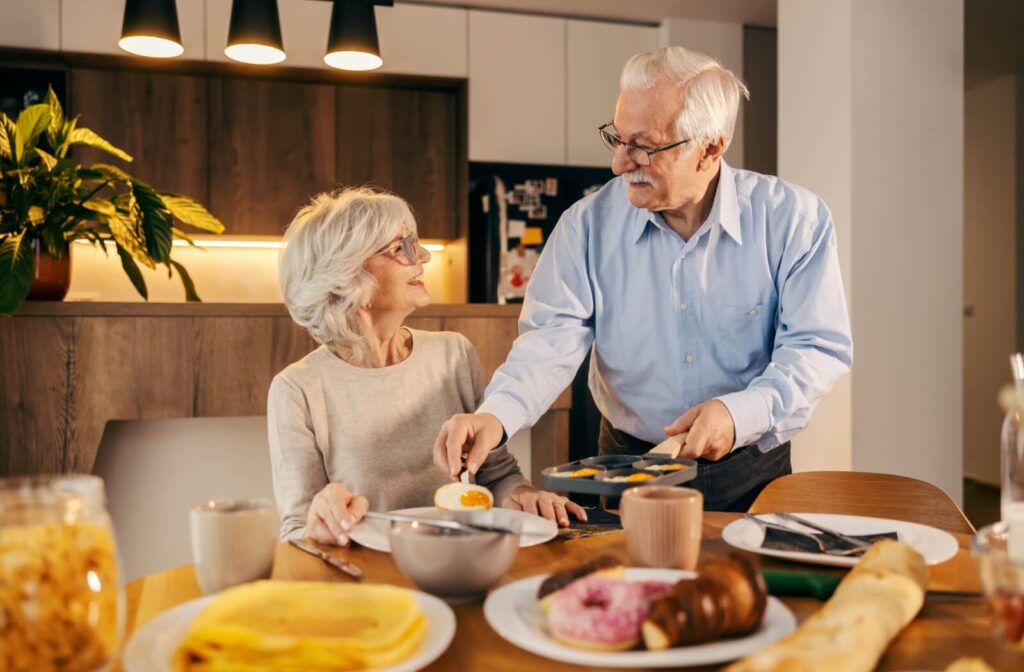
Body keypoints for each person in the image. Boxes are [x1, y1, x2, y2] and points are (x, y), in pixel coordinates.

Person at [434, 46, 853, 512]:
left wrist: (738, 414)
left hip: (752, 470)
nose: (619, 163)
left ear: (711, 146)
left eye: (644, 146)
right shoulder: (586, 226)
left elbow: (816, 348)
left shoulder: (793, 219)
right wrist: (496, 416)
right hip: (624, 468)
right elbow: (548, 345)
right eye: (617, 138)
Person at [269, 188, 585, 546]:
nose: (423, 255)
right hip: (373, 578)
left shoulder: (453, 354)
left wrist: (523, 495)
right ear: (347, 275)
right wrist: (321, 521)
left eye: (414, 242)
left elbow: (497, 476)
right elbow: (296, 531)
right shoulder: (297, 389)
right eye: (399, 247)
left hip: (462, 561)